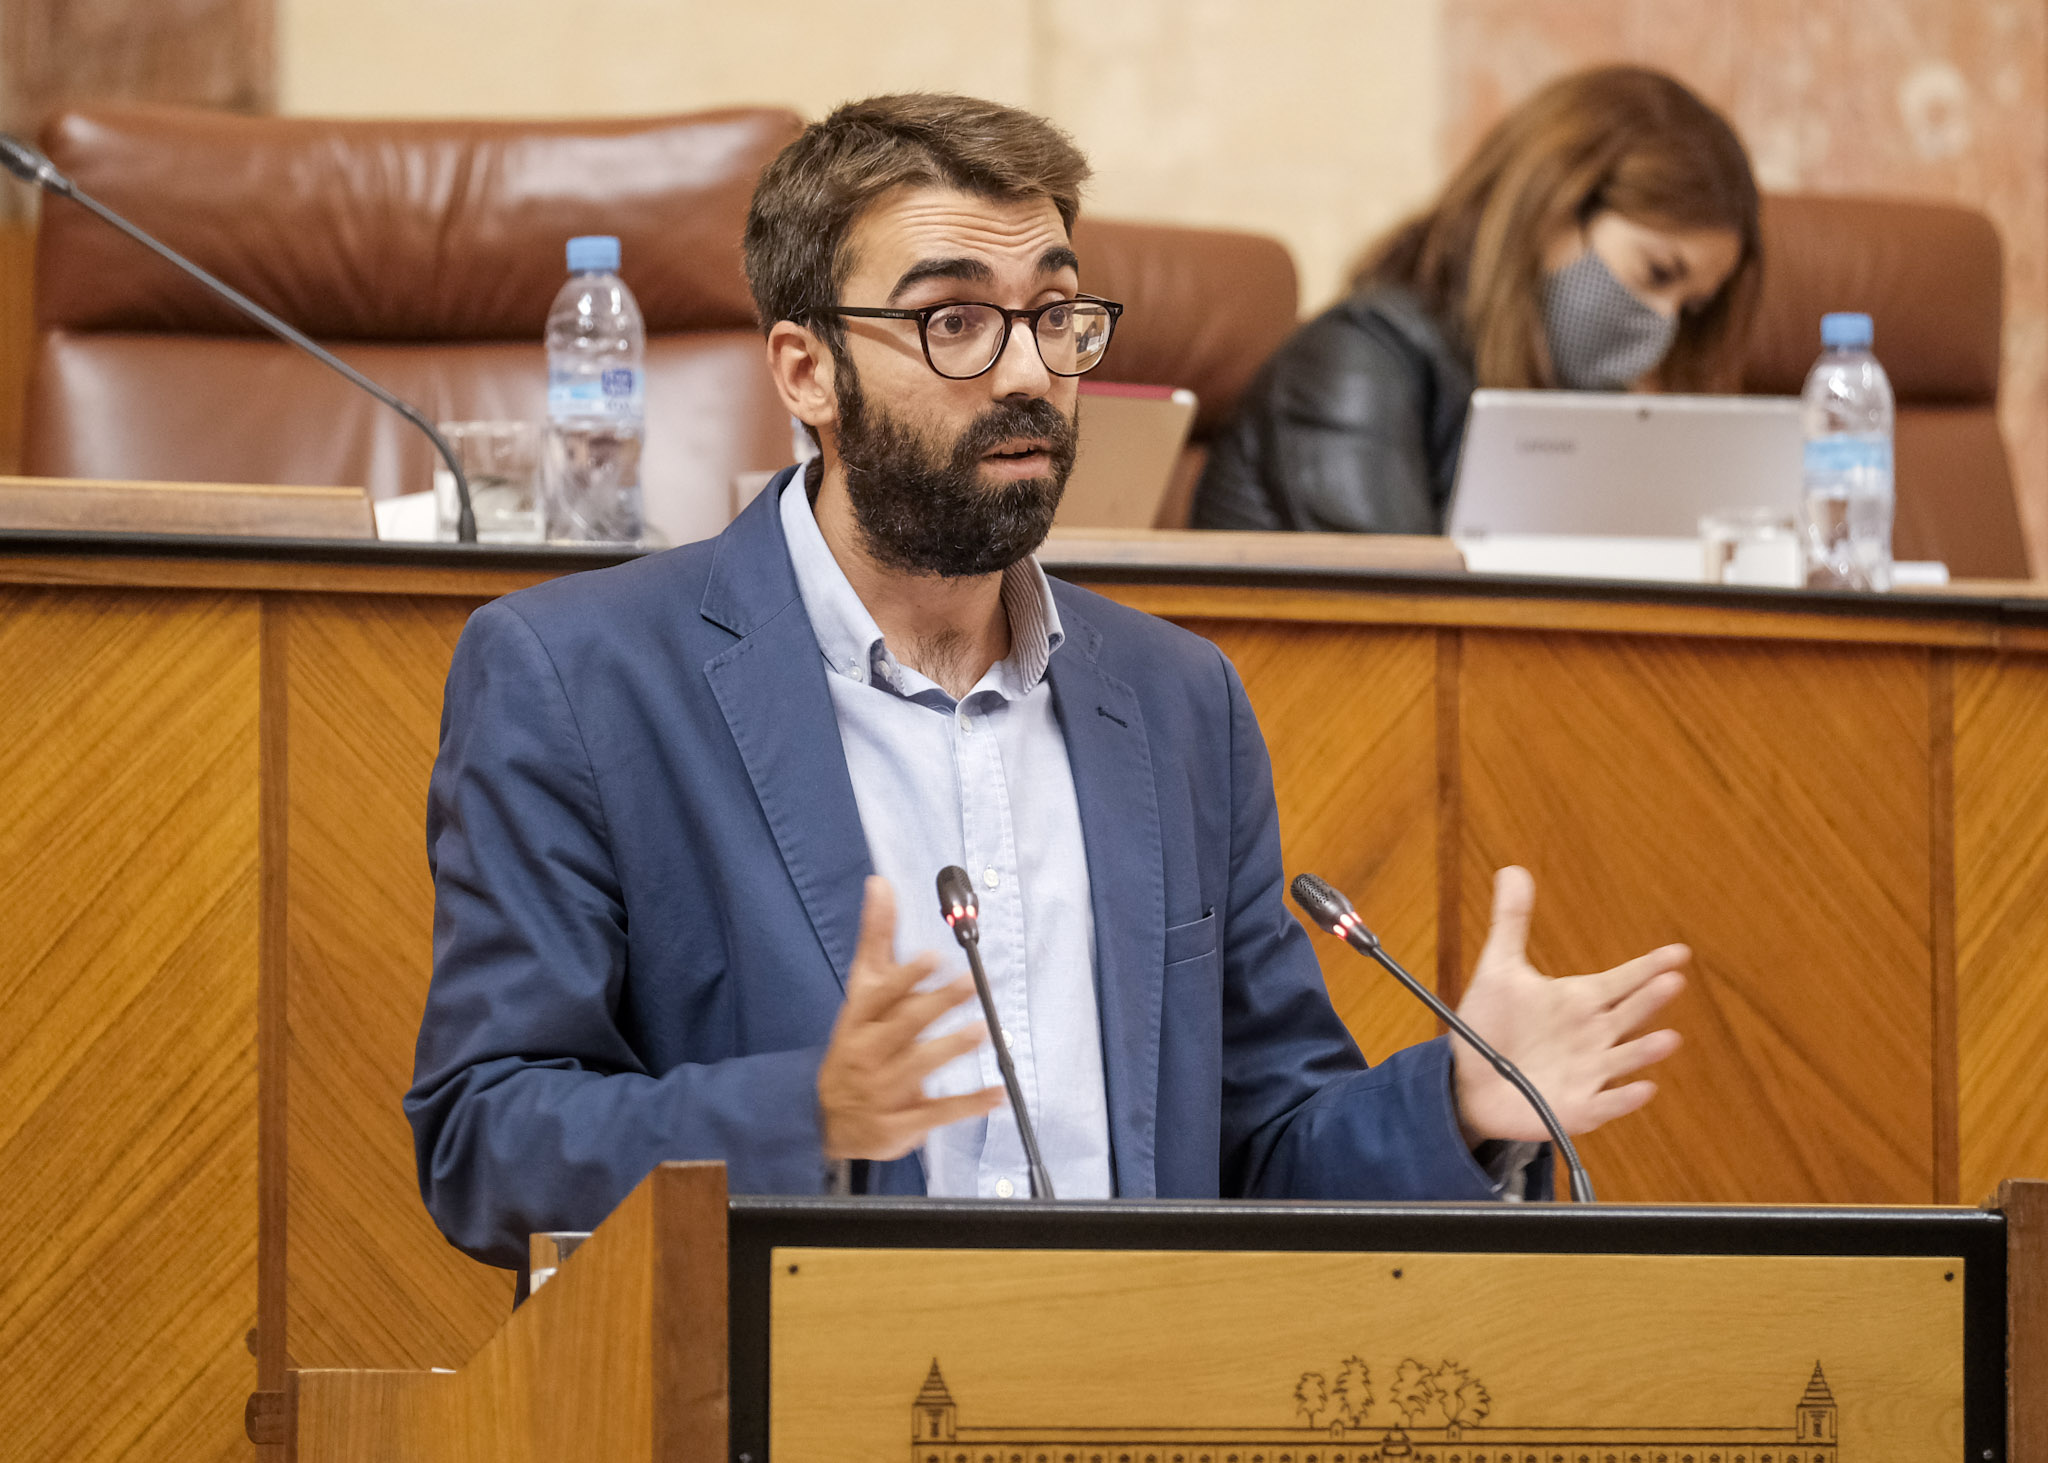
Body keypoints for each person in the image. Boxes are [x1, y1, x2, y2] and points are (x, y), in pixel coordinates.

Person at [407, 93, 1688, 1271]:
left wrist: (1461, 1105)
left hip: (1128, 1391)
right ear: (806, 371)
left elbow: (1260, 1145)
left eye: (1055, 315)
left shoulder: (1177, 700)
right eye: (952, 319)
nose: (1027, 370)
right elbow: (486, 1137)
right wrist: (803, 1115)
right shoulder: (581, 674)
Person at [1192, 66, 1762, 535]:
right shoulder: (1357, 361)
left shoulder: (1568, 395)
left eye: (1690, 307)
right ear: (1552, 210)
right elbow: (1409, 620)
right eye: (1658, 272)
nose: (1662, 323)